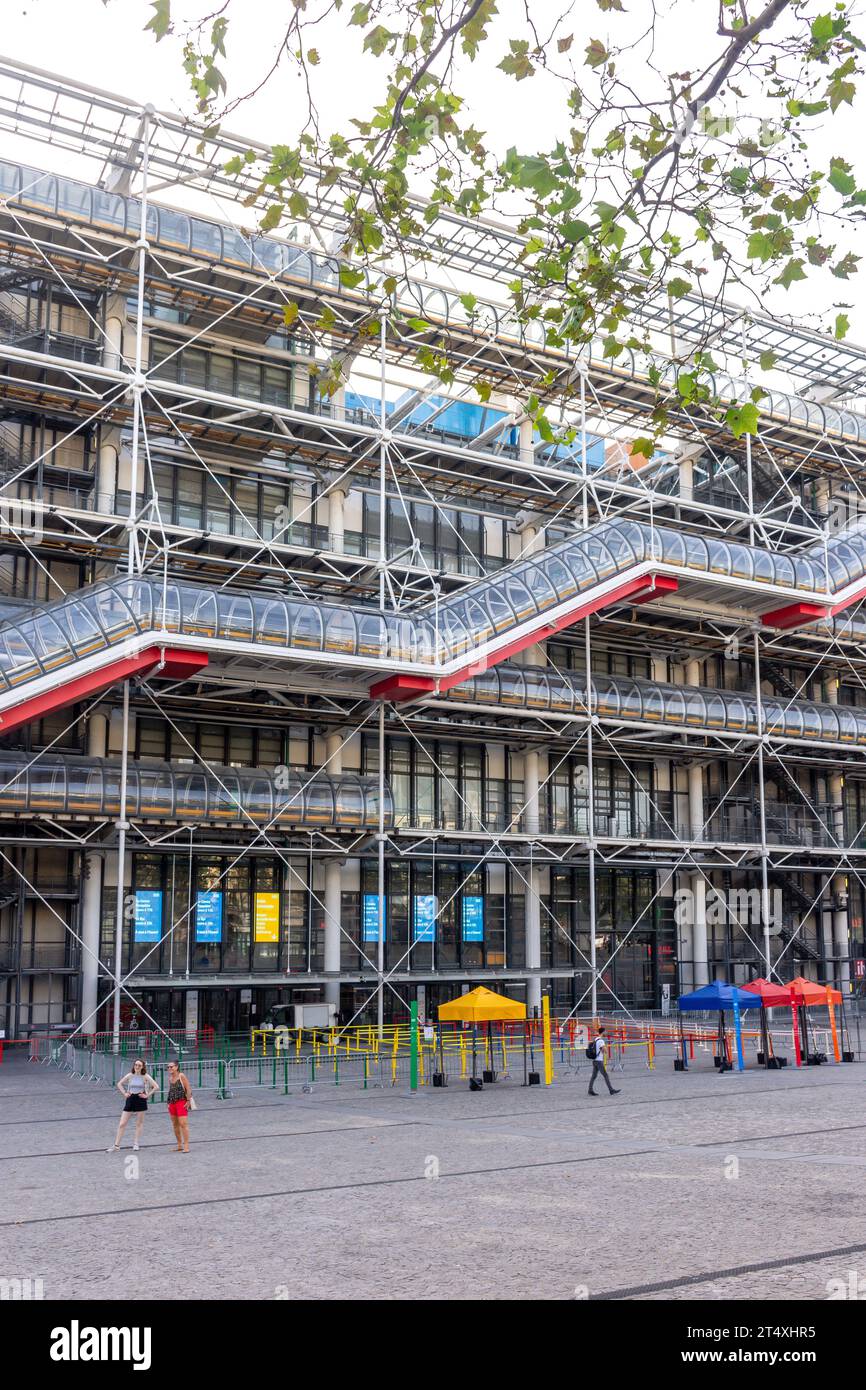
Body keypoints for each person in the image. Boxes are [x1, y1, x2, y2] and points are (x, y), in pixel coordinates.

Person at [107, 1057, 158, 1152]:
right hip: (130, 1099)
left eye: (139, 1065)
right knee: (122, 1123)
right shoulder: (130, 1075)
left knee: (139, 1123)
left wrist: (147, 1095)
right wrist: (125, 1093)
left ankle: (136, 1143)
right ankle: (116, 1145)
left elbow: (156, 1086)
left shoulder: (145, 1076)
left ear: (142, 1067)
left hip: (140, 1099)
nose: (137, 1067)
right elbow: (119, 1084)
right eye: (136, 1065)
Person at [166, 1060, 194, 1152]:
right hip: (172, 1103)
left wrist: (188, 1100)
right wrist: (168, 1103)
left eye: (171, 1066)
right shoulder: (170, 1078)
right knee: (175, 1125)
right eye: (168, 1067)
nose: (169, 1068)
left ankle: (186, 1145)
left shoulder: (181, 1076)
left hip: (181, 1102)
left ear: (177, 1067)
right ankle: (179, 1145)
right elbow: (170, 1091)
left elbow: (188, 1088)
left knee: (183, 1124)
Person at [587, 1026, 621, 1097]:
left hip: (595, 1060)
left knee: (594, 1076)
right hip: (599, 1061)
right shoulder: (601, 1041)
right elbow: (604, 1050)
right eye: (605, 1031)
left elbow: (599, 1049)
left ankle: (590, 1090)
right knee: (605, 1075)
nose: (606, 1033)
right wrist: (606, 1050)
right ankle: (611, 1090)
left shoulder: (596, 1039)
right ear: (602, 1032)